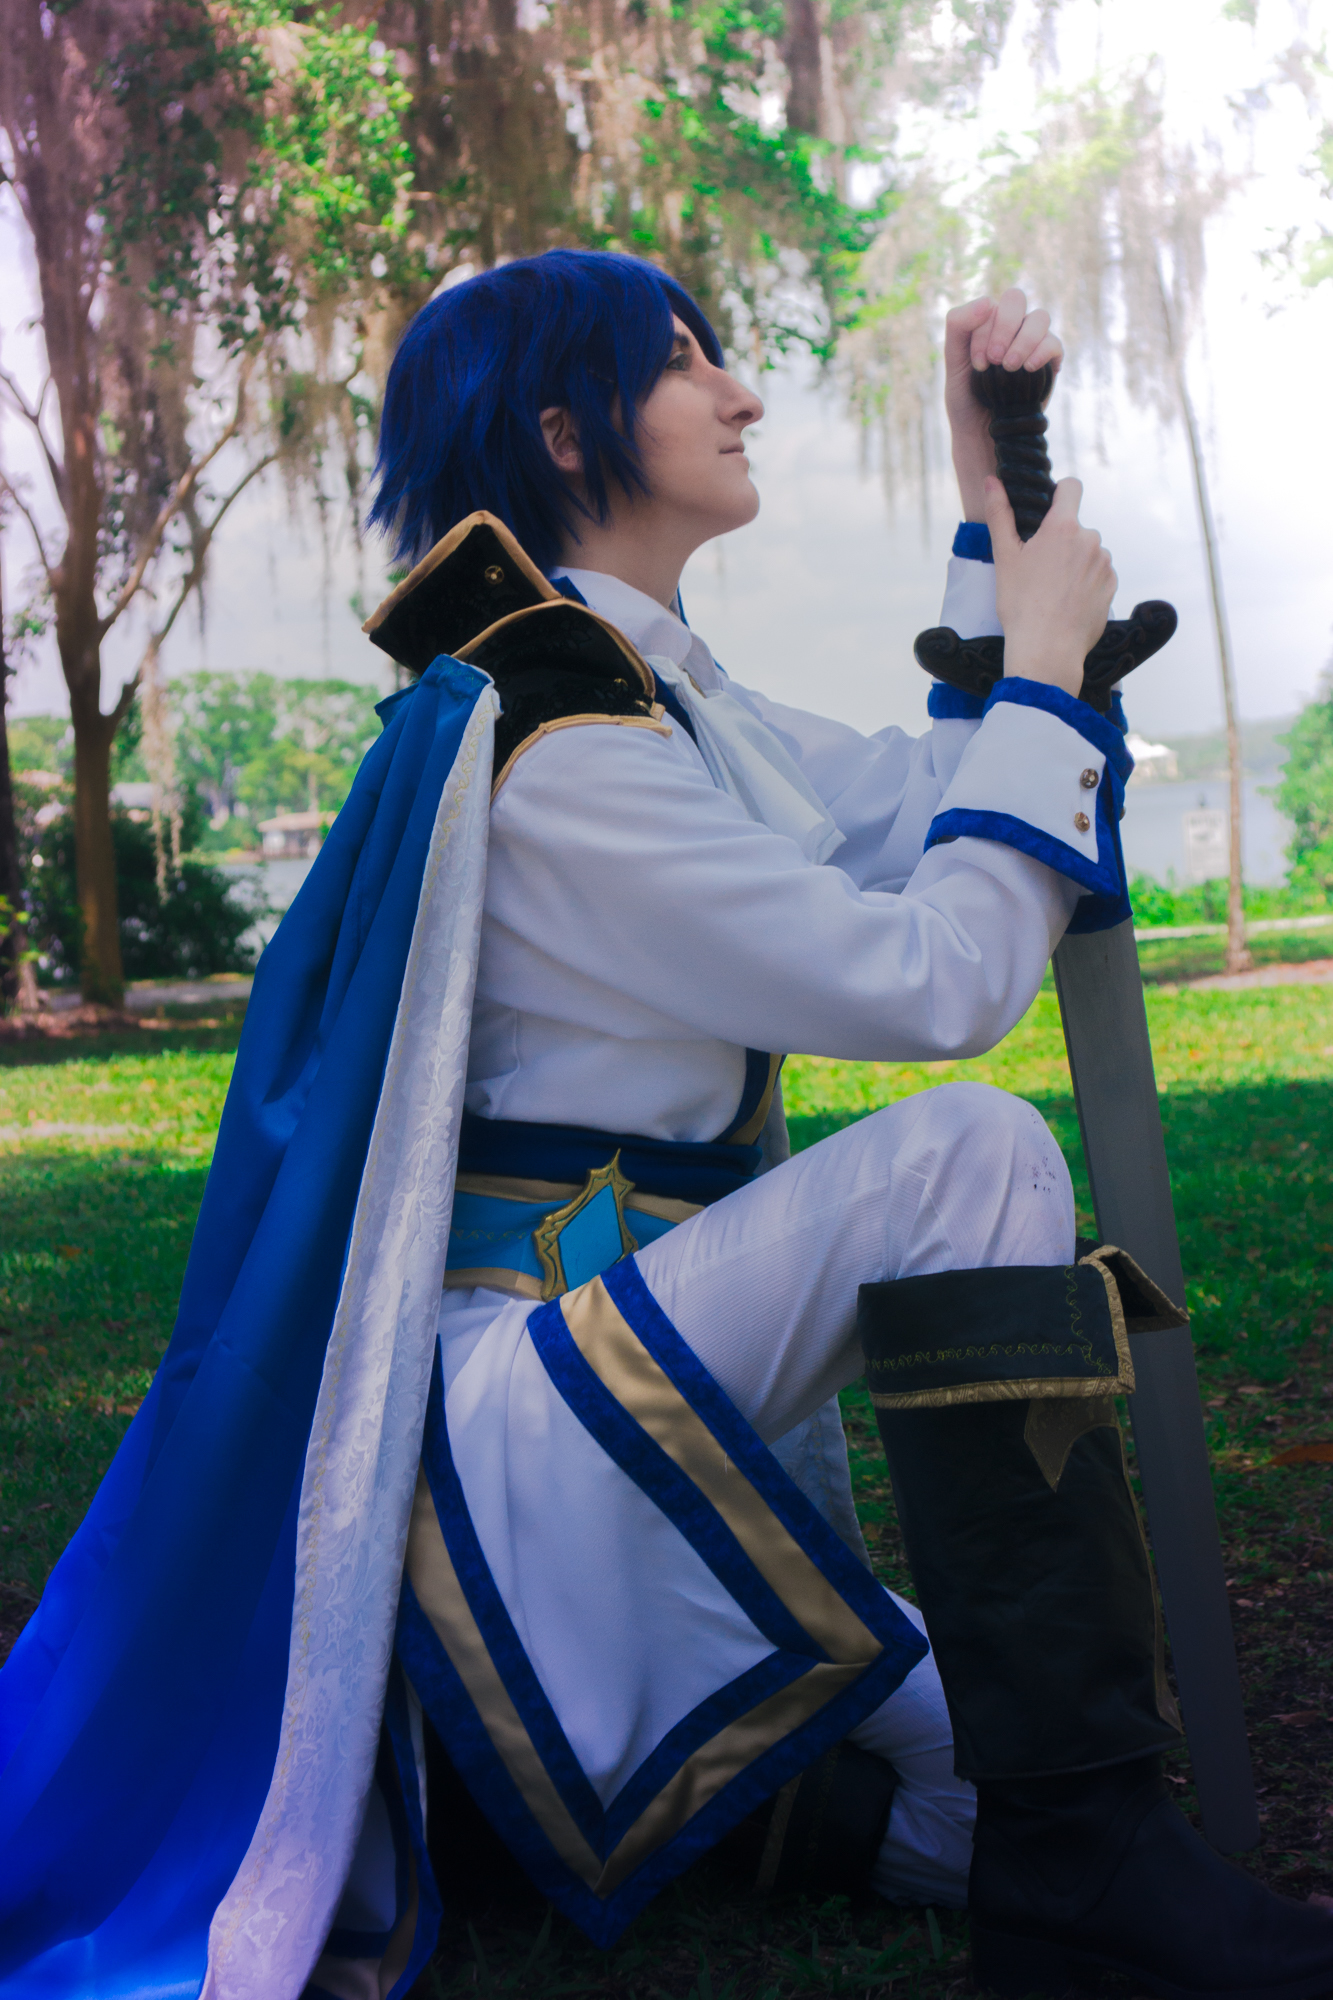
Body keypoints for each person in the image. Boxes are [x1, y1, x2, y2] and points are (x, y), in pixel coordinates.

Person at [0, 249, 1329, 2000]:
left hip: (624, 1404)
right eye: (686, 361)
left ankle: (531, 1808)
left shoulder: (660, 698)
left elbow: (943, 792)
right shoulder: (554, 739)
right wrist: (1041, 672)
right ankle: (1088, 1878)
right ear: (565, 431)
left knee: (965, 1781)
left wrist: (989, 483)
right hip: (510, 1437)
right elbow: (931, 983)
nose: (741, 391)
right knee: (972, 1146)